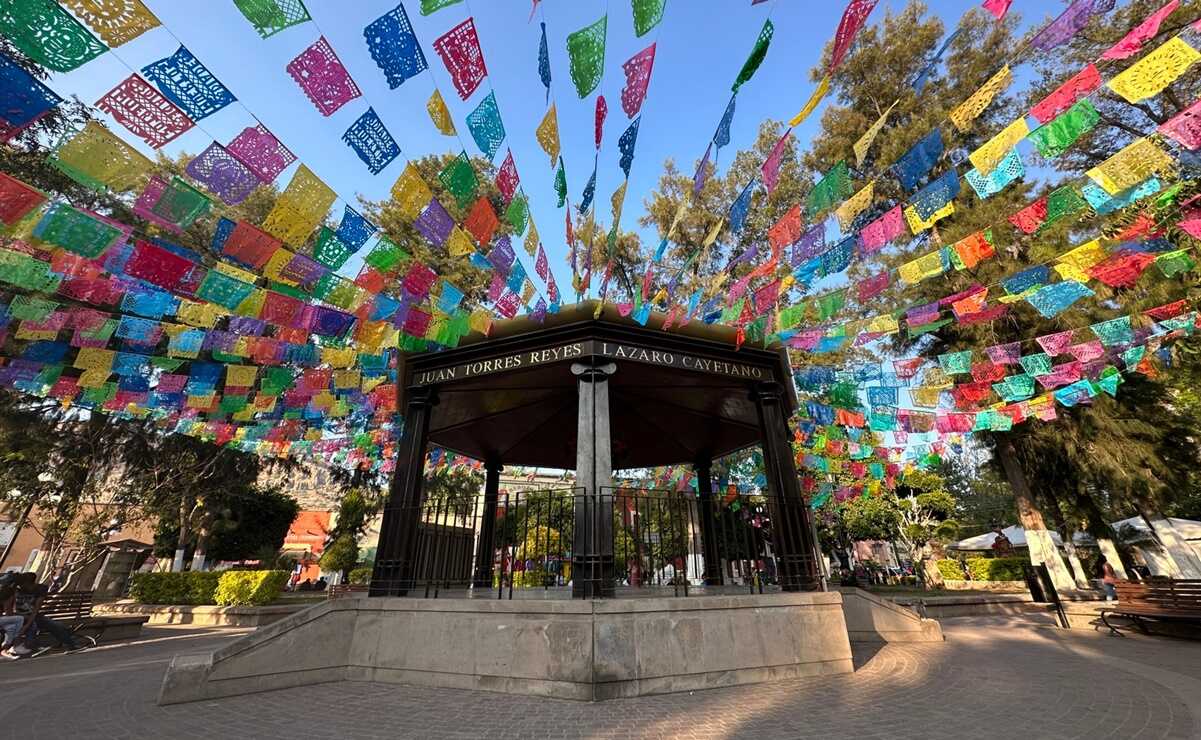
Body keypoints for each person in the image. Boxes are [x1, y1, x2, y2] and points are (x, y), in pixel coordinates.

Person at [13, 572, 90, 654]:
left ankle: (72, 645)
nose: (23, 587)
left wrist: (28, 623)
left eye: (26, 585)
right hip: (19, 616)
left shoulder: (40, 589)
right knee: (33, 626)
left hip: (34, 616)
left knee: (56, 625)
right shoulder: (16, 590)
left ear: (30, 583)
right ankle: (31, 647)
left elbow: (36, 609)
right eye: (21, 585)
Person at [0, 580, 32, 660]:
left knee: (11, 627)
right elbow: (8, 612)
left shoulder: (4, 598)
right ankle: (16, 642)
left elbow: (8, 615)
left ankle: (5, 650)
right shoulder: (8, 597)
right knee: (20, 619)